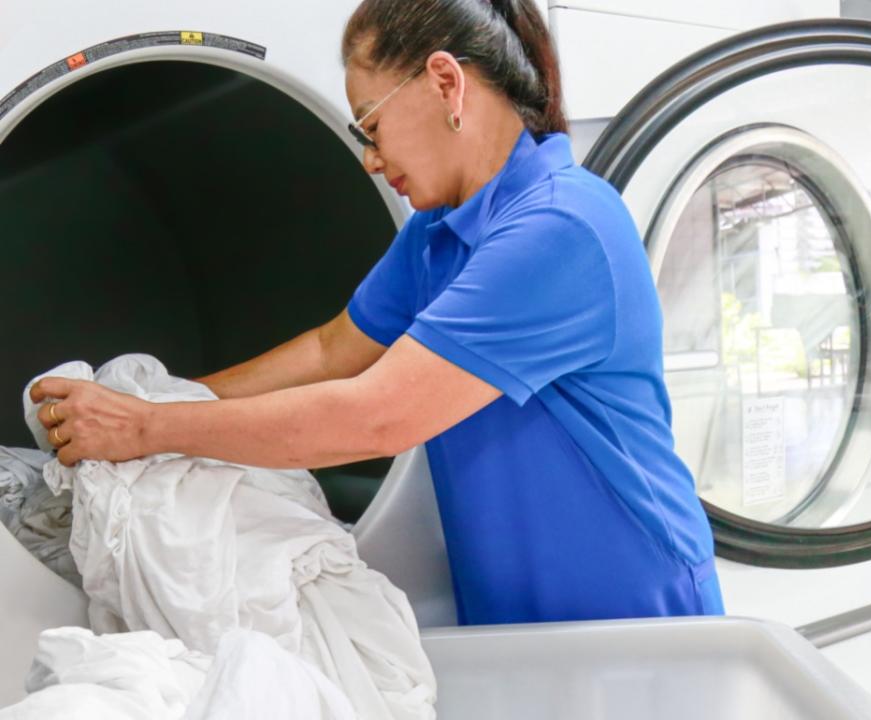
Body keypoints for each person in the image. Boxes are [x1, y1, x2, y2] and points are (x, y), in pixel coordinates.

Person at [29, 0, 724, 625]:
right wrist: (159, 398)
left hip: (631, 607)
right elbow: (333, 350)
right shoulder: (437, 231)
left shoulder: (562, 226)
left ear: (446, 83)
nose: (370, 158)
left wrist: (147, 428)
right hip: (515, 609)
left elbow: (378, 416)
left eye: (372, 125)